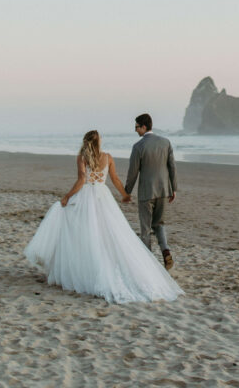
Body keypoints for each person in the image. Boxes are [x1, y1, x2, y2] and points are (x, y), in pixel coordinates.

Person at [24, 130, 182, 304]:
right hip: (103, 196)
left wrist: (67, 196)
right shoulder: (107, 157)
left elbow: (81, 180)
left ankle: (83, 269)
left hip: (86, 197)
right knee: (108, 231)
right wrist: (124, 194)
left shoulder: (82, 157)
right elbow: (114, 179)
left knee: (83, 232)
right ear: (98, 142)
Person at [124, 113, 177, 270]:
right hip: (163, 190)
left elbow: (132, 172)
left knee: (145, 228)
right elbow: (172, 167)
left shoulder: (138, 146)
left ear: (144, 127)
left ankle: (148, 264)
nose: (135, 131)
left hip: (146, 192)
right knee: (159, 223)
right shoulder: (166, 142)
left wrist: (127, 192)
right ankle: (165, 250)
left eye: (137, 127)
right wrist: (173, 189)